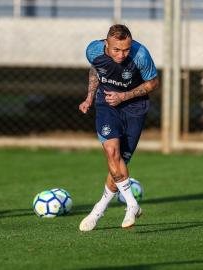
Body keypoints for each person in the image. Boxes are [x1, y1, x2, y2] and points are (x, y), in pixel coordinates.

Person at [78, 24, 158, 231]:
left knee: (121, 162)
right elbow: (96, 70)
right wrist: (89, 98)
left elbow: (153, 83)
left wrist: (124, 96)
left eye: (126, 49)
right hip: (106, 105)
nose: (122, 55)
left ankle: (98, 209)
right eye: (116, 50)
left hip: (135, 108)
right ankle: (132, 204)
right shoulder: (93, 50)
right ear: (106, 44)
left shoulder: (141, 54)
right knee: (112, 153)